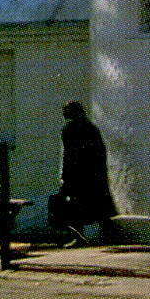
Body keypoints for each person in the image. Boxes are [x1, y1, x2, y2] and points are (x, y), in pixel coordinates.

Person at [54, 100, 115, 246]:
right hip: (92, 173)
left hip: (79, 174)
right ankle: (103, 235)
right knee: (95, 205)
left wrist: (65, 175)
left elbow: (69, 155)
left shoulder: (70, 129)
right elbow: (100, 151)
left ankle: (81, 237)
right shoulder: (91, 128)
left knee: (77, 206)